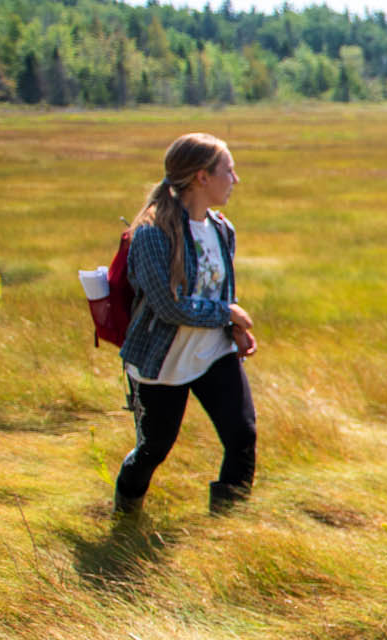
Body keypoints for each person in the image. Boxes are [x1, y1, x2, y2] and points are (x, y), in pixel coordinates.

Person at [115, 132, 258, 518]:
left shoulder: (223, 229)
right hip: (162, 361)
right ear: (202, 177)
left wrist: (235, 331)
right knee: (153, 449)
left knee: (242, 436)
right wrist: (228, 314)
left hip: (214, 354)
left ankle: (228, 531)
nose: (236, 179)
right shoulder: (152, 233)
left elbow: (219, 290)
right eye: (229, 170)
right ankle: (126, 516)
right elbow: (168, 306)